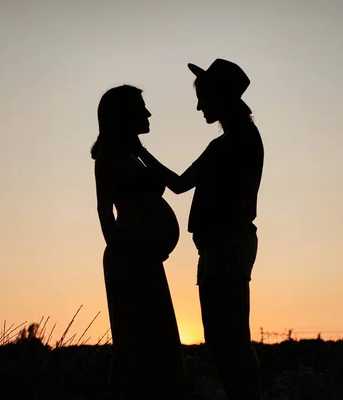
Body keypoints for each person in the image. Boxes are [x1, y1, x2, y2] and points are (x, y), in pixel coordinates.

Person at [134, 59, 263, 400]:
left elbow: (178, 185)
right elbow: (180, 185)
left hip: (225, 248)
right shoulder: (239, 140)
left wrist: (140, 153)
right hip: (221, 249)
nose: (198, 105)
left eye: (204, 97)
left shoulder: (231, 144)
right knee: (227, 340)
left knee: (228, 341)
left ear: (220, 97)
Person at [92, 85, 186, 400]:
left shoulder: (132, 154)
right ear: (123, 115)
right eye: (141, 108)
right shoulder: (110, 156)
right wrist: (121, 252)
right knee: (138, 344)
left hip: (143, 259)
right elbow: (104, 209)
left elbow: (174, 184)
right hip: (130, 261)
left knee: (154, 342)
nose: (148, 114)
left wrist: (143, 150)